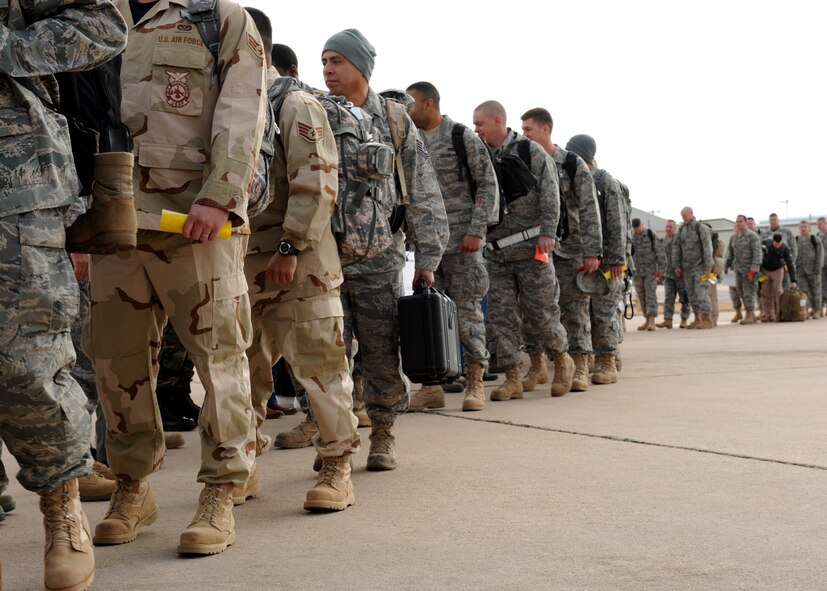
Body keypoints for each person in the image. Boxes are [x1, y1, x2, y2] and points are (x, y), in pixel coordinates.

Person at [84, 0, 266, 556]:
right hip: (113, 217)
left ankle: (220, 489)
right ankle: (134, 487)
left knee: (219, 357)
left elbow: (242, 109)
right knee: (116, 364)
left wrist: (220, 195)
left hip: (193, 220)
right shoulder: (94, 14)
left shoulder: (219, 18)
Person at [0, 1, 126, 588]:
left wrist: (7, 49)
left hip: (13, 183)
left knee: (25, 362)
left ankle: (62, 507)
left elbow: (102, 25)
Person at [243, 8, 360, 511]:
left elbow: (316, 181)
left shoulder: (294, 103)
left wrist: (290, 246)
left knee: (320, 366)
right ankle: (239, 464)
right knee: (238, 371)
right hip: (241, 263)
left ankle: (337, 466)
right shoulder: (230, 101)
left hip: (299, 263)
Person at [321, 29, 448, 470]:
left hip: (379, 260)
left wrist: (427, 259)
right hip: (325, 260)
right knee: (327, 356)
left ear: (361, 67)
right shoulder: (317, 114)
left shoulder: (394, 120)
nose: (328, 69)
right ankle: (333, 440)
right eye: (325, 61)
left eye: (337, 60)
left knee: (380, 351)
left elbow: (422, 190)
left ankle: (383, 434)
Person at [405, 81, 498, 411]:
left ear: (429, 104)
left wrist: (477, 229)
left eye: (411, 103)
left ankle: (475, 379)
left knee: (467, 313)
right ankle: (431, 386)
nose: (406, 109)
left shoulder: (461, 136)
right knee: (426, 317)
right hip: (427, 246)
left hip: (463, 243)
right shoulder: (408, 139)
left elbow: (487, 183)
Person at [472, 101, 575, 400]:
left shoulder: (530, 151)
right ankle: (513, 377)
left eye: (480, 123)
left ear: (497, 120)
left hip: (532, 247)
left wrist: (548, 233)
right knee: (501, 318)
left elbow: (551, 193)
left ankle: (562, 359)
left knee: (542, 312)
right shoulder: (479, 153)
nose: (476, 128)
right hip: (495, 253)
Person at [519, 108, 601, 392]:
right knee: (533, 309)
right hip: (537, 250)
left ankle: (579, 365)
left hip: (571, 249)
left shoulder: (570, 163)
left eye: (529, 129)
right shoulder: (524, 161)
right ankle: (538, 365)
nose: (524, 134)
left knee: (574, 308)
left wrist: (593, 252)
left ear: (546, 129)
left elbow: (590, 209)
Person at [564, 134, 627, 385]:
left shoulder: (604, 181)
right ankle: (586, 357)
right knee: (580, 312)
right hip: (579, 256)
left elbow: (616, 222)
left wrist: (617, 259)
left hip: (607, 260)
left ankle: (607, 360)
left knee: (604, 311)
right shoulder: (571, 179)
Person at [674, 207, 715, 329]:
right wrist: (676, 265)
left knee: (701, 292)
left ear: (691, 214)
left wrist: (708, 267)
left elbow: (708, 248)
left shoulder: (700, 228)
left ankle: (707, 319)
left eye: (685, 215)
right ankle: (697, 318)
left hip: (700, 267)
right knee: (691, 294)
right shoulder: (681, 229)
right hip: (687, 268)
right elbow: (676, 248)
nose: (684, 218)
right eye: (682, 216)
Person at [723, 215, 762, 325]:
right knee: (741, 291)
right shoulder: (734, 237)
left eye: (740, 221)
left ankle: (749, 314)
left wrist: (754, 267)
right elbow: (731, 254)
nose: (738, 223)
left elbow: (757, 253)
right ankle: (751, 314)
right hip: (738, 270)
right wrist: (726, 265)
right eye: (737, 222)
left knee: (749, 291)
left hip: (749, 270)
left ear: (745, 222)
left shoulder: (752, 236)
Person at [629, 218, 664, 331]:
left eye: (638, 228)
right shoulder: (631, 236)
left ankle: (652, 320)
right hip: (637, 271)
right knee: (641, 296)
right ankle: (646, 319)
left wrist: (660, 270)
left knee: (650, 295)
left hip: (650, 271)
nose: (637, 231)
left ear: (642, 225)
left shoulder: (650, 234)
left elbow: (659, 251)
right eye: (635, 229)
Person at [655, 219, 691, 329]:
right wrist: (659, 273)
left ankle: (684, 319)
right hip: (668, 275)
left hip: (680, 274)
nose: (668, 229)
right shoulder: (662, 242)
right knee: (668, 298)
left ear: (675, 229)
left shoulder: (679, 240)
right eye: (667, 226)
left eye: (671, 227)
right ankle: (668, 320)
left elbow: (686, 254)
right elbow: (659, 258)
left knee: (684, 297)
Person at [760, 233, 797, 322]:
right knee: (766, 292)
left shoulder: (785, 248)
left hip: (778, 270)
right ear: (773, 241)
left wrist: (793, 280)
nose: (777, 245)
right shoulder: (766, 244)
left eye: (779, 243)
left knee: (778, 291)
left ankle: (779, 314)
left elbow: (790, 263)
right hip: (765, 270)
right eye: (776, 243)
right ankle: (769, 315)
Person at [794, 220, 823, 318]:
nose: (803, 229)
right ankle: (805, 309)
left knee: (816, 291)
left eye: (805, 227)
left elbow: (820, 254)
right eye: (801, 227)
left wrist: (818, 268)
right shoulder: (796, 239)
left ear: (809, 228)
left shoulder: (814, 239)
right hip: (800, 270)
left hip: (814, 270)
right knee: (803, 291)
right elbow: (793, 254)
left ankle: (816, 310)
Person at [817, 217, 827, 316]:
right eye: (817, 224)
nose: (818, 226)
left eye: (820, 224)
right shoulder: (818, 236)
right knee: (822, 286)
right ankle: (821, 306)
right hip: (822, 264)